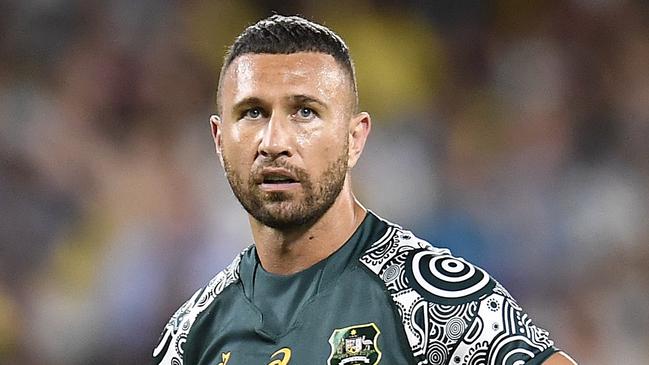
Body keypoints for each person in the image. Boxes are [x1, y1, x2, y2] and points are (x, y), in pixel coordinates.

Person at [152, 15, 576, 365]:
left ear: (355, 139)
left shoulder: (433, 301)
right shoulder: (194, 332)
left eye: (305, 112)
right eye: (252, 112)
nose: (274, 140)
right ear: (219, 139)